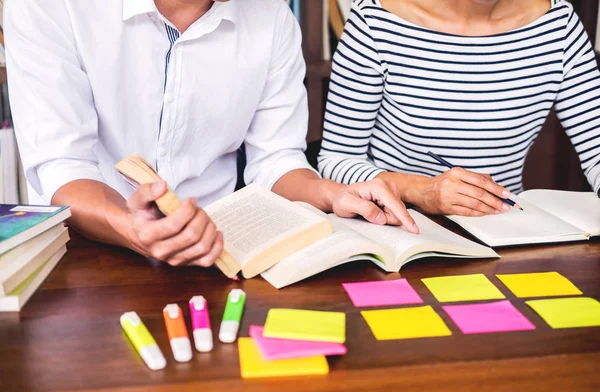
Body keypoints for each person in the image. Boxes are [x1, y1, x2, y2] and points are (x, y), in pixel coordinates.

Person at [5, 0, 419, 269]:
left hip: (219, 251)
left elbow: (275, 161)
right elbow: (63, 165)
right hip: (84, 248)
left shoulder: (272, 17)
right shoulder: (48, 6)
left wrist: (330, 193)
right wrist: (129, 225)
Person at [318, 0, 600, 217]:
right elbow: (335, 160)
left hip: (505, 228)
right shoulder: (374, 20)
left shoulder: (558, 24)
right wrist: (421, 190)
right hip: (399, 225)